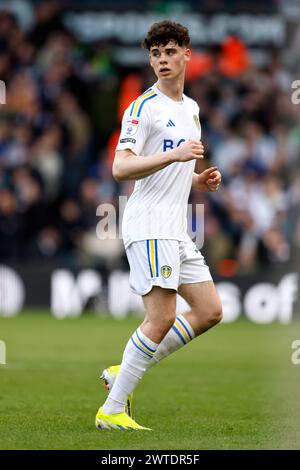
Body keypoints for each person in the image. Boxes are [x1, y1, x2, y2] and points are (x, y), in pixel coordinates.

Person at [95, 20, 223, 431]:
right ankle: (112, 410)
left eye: (170, 52)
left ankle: (125, 370)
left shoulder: (190, 109)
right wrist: (175, 157)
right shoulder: (142, 107)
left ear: (187, 54)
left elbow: (173, 167)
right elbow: (121, 167)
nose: (162, 60)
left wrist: (197, 179)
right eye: (155, 54)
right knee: (161, 317)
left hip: (176, 228)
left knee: (208, 311)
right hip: (149, 224)